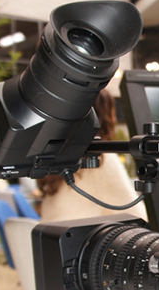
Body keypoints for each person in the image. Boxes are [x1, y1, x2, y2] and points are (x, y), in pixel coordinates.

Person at [37, 90, 147, 223]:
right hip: (76, 234)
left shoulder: (56, 153)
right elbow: (138, 216)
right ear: (106, 116)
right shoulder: (101, 159)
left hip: (49, 233)